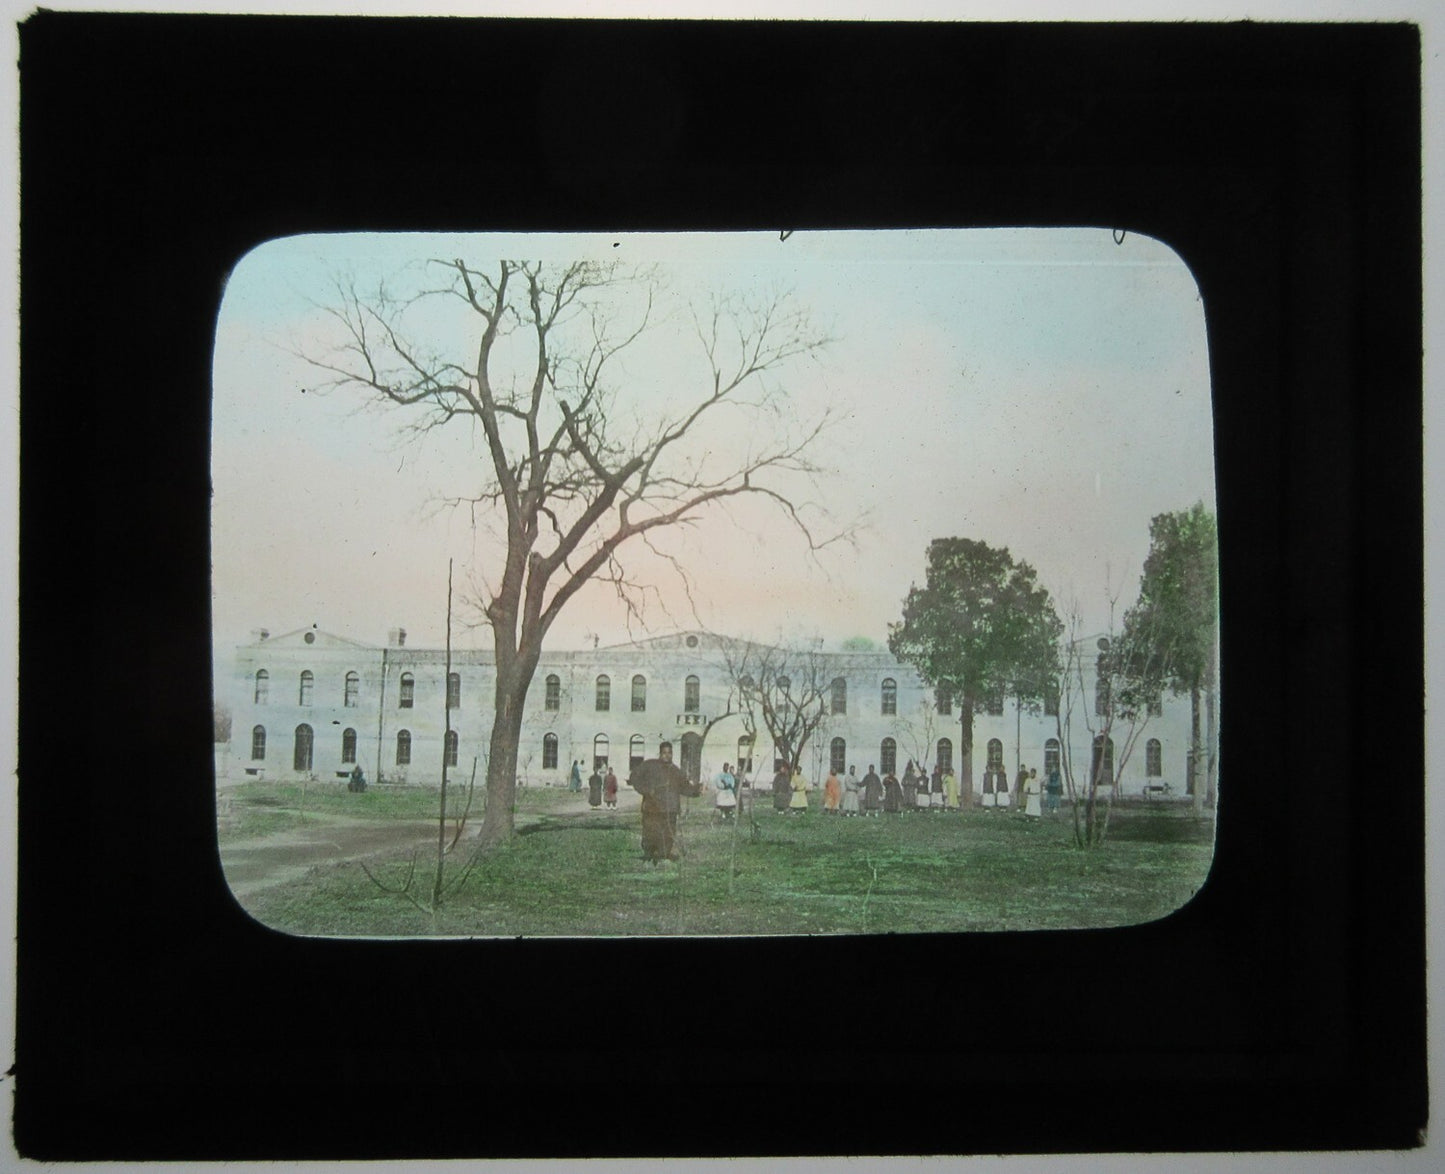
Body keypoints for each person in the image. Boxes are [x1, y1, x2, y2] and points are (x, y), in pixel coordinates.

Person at [630, 742, 701, 863]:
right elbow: (634, 777)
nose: (667, 755)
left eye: (669, 753)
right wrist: (646, 790)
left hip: (670, 808)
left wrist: (697, 790)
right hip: (652, 807)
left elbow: (685, 787)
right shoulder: (649, 765)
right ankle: (649, 855)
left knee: (668, 833)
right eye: (664, 753)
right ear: (660, 753)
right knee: (650, 832)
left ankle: (664, 855)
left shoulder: (676, 771)